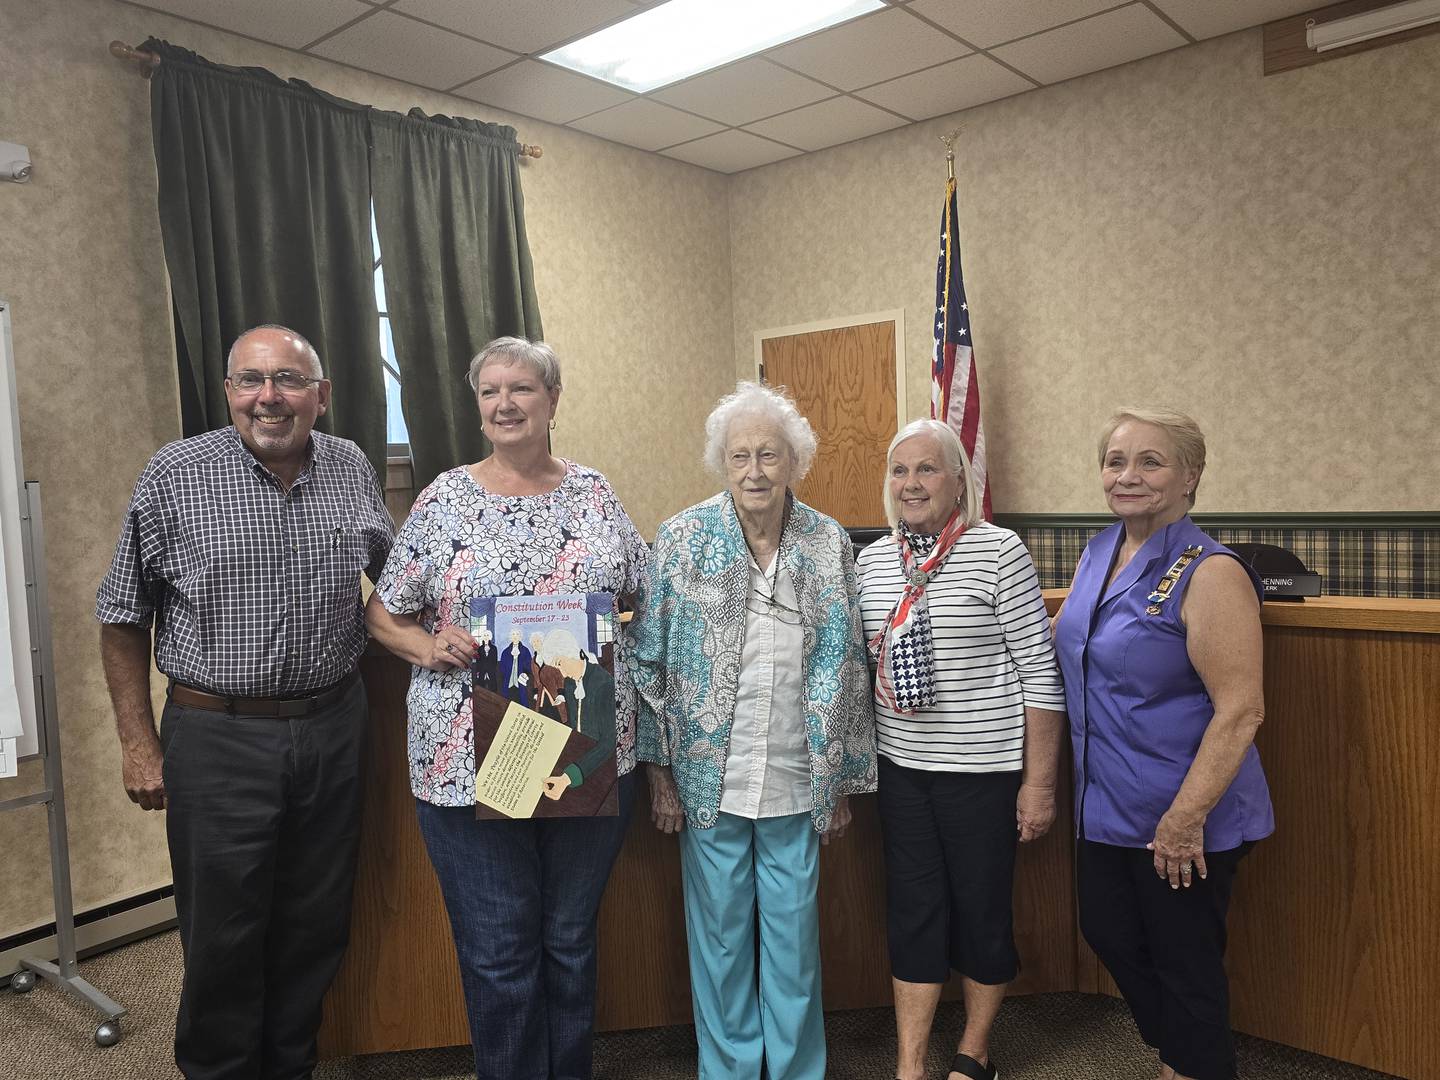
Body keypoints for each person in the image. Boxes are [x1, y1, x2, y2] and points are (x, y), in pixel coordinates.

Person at [96, 325, 394, 1080]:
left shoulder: (353, 467)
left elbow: (398, 585)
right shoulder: (174, 474)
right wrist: (137, 743)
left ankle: (290, 1068)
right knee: (223, 935)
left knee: (314, 926)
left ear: (319, 396)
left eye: (289, 381)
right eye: (251, 380)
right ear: (229, 393)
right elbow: (123, 615)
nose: (270, 397)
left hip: (333, 727)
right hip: (216, 737)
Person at [364, 336, 649, 1080]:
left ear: (552, 401)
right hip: (468, 759)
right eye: (490, 392)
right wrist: (427, 647)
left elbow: (642, 599)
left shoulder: (595, 493)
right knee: (499, 955)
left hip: (580, 748)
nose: (505, 404)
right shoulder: (442, 500)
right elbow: (384, 613)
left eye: (521, 389)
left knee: (568, 941)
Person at [629, 381, 876, 1080]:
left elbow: (847, 662)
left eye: (769, 454)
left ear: (794, 459)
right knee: (722, 942)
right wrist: (660, 774)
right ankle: (732, 1070)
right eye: (740, 456)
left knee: (795, 944)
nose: (755, 472)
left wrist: (843, 778)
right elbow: (647, 662)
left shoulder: (827, 541)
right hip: (709, 780)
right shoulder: (682, 538)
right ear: (722, 463)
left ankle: (797, 1070)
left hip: (799, 776)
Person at [1053, 407, 1273, 1080]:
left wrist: (1185, 821)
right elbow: (1067, 642)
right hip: (1106, 807)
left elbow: (1240, 711)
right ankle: (1182, 1055)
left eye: (1151, 461)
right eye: (1116, 461)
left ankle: (1197, 1065)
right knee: (1109, 935)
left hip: (1185, 813)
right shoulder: (1097, 552)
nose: (1129, 476)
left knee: (1186, 968)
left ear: (1190, 477)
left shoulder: (1211, 572)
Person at [856, 419, 1065, 1080]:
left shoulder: (998, 551)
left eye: (927, 469)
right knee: (913, 914)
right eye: (900, 471)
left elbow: (1041, 674)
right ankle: (911, 1064)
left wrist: (1040, 785)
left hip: (984, 772)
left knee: (981, 911)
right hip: (901, 771)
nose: (911, 483)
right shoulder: (870, 561)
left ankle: (974, 1051)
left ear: (957, 481)